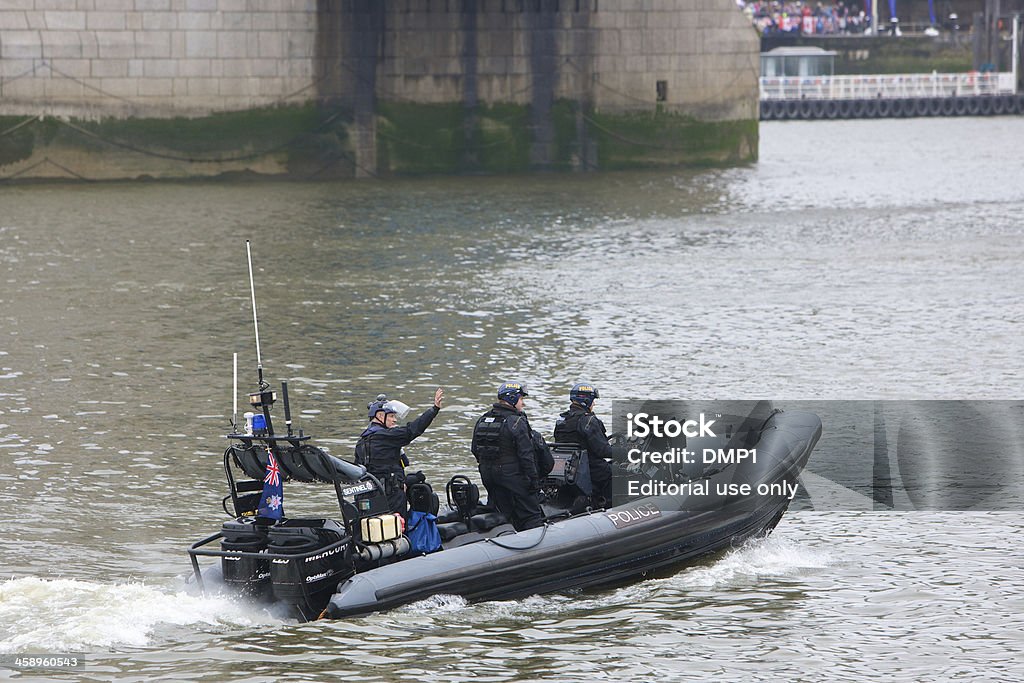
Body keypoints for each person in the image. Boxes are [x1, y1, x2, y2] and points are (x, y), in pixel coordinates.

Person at [354, 387, 444, 518]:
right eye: (391, 416)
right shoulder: (385, 436)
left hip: (371, 497)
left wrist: (406, 481)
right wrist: (434, 409)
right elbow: (412, 430)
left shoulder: (362, 441)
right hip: (392, 498)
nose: (395, 420)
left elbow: (362, 472)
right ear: (380, 416)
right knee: (399, 529)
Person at [471, 381, 544, 531]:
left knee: (503, 511)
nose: (522, 404)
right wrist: (534, 482)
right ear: (512, 399)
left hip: (488, 475)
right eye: (521, 399)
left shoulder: (483, 419)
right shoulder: (516, 421)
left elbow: (475, 449)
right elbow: (526, 455)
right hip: (511, 475)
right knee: (531, 514)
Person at [553, 382, 613, 506]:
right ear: (587, 401)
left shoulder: (561, 421)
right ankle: (609, 505)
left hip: (569, 470)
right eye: (593, 400)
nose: (594, 404)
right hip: (593, 470)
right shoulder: (589, 421)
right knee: (617, 471)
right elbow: (603, 450)